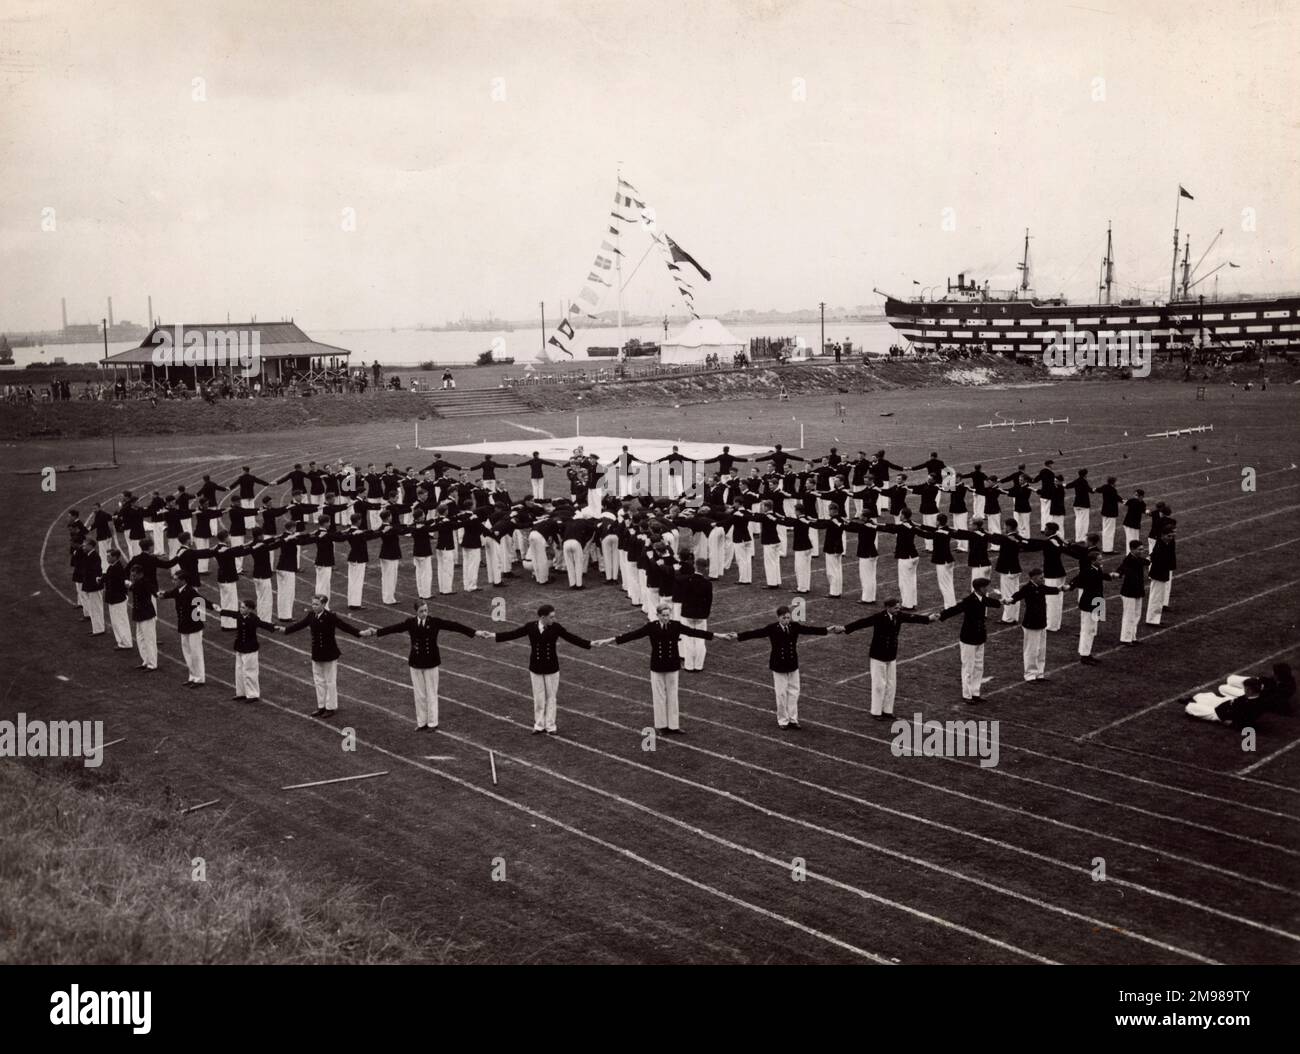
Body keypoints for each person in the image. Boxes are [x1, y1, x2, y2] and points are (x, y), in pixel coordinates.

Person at [594, 602, 714, 734]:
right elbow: (633, 635)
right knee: (659, 696)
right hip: (657, 665)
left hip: (672, 665)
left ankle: (674, 726)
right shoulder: (651, 627)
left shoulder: (675, 625)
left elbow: (695, 632)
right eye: (663, 615)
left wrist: (718, 636)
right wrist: (609, 640)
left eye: (668, 615)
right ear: (657, 615)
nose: (666, 618)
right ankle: (661, 725)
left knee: (673, 696)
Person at [365, 601, 477, 731]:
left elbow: (453, 626)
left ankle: (432, 723)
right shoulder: (410, 623)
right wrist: (376, 632)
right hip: (416, 662)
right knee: (419, 694)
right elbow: (394, 628)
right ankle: (422, 722)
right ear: (416, 612)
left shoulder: (434, 622)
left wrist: (474, 632)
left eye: (426, 610)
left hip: (431, 662)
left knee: (431, 693)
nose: (424, 613)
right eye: (421, 611)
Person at [484, 604, 592, 734]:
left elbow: (571, 638)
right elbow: (513, 634)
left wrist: (589, 644)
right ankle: (539, 725)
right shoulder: (531, 627)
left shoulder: (556, 628)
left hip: (552, 667)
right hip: (535, 667)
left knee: (551, 697)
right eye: (551, 617)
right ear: (543, 617)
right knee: (539, 697)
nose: (554, 619)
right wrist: (493, 635)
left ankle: (551, 726)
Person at [729, 606, 832, 729]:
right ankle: (783, 720)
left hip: (793, 664)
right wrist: (738, 636)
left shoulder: (794, 626)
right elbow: (756, 633)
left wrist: (827, 629)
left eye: (788, 618)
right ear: (778, 618)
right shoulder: (772, 628)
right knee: (781, 693)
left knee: (794, 692)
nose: (787, 620)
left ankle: (793, 719)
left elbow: (809, 630)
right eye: (784, 618)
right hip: (779, 665)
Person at [838, 598, 934, 718]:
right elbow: (863, 622)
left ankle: (888, 710)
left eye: (898, 607)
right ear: (888, 607)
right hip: (878, 655)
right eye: (895, 608)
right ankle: (876, 711)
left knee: (891, 684)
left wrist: (928, 619)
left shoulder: (898, 616)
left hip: (891, 654)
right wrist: (845, 628)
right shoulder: (879, 617)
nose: (898, 610)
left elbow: (912, 618)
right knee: (879, 684)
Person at [283, 594, 365, 716]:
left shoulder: (330, 616)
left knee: (330, 681)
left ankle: (330, 707)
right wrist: (285, 630)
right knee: (318, 680)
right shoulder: (311, 615)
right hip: (317, 652)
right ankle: (321, 706)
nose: (313, 606)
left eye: (316, 604)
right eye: (313, 604)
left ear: (323, 604)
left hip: (329, 652)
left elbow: (344, 626)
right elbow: (300, 625)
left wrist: (359, 633)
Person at [938, 577, 1002, 703]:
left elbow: (991, 602)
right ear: (980, 588)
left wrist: (1003, 602)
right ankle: (967, 695)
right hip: (968, 638)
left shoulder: (982, 598)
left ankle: (975, 692)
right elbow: (955, 609)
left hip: (979, 637)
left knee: (978, 666)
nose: (987, 589)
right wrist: (941, 615)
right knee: (968, 667)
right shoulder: (969, 601)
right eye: (986, 587)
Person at [216, 598, 280, 701]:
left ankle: (253, 694)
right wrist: (220, 610)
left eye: (243, 607)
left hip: (250, 648)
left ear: (249, 609)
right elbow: (230, 613)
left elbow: (262, 624)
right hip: (240, 647)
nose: (240, 609)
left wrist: (273, 627)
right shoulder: (239, 615)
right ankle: (241, 692)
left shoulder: (254, 618)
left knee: (250, 671)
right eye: (240, 607)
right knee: (239, 670)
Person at [1008, 568, 1060, 681]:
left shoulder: (1040, 587)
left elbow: (1050, 589)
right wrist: (1010, 600)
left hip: (1041, 623)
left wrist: (1061, 588)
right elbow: (1018, 595)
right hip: (1031, 623)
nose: (1043, 579)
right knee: (1031, 650)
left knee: (1041, 650)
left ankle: (1039, 674)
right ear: (1034, 578)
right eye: (1041, 577)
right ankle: (1030, 675)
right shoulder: (1027, 588)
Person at [159, 568, 207, 687]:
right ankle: (192, 676)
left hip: (193, 627)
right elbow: (169, 593)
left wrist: (197, 621)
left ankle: (199, 678)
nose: (173, 581)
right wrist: (162, 594)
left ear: (183, 581)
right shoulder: (179, 590)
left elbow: (202, 602)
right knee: (187, 652)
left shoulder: (190, 592)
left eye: (175, 580)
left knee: (196, 653)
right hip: (184, 626)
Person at [676, 558, 714, 671]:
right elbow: (709, 601)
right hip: (701, 615)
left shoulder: (687, 580)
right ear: (706, 568)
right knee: (700, 640)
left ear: (695, 567)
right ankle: (698, 665)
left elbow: (677, 580)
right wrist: (705, 614)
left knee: (688, 639)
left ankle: (689, 665)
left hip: (687, 614)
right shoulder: (707, 583)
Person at [1116, 540, 1149, 644]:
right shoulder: (1129, 559)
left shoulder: (1136, 558)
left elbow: (1145, 561)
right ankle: (1125, 638)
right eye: (1139, 549)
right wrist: (1119, 573)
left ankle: (1132, 637)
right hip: (1129, 592)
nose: (1142, 551)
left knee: (1136, 615)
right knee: (1129, 615)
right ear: (1132, 549)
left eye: (1142, 549)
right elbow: (1122, 568)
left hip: (1137, 591)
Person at [127, 565, 159, 671]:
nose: (133, 577)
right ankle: (146, 660)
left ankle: (152, 663)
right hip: (140, 614)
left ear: (141, 574)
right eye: (132, 575)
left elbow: (153, 590)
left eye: (134, 575)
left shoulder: (144, 582)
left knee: (149, 639)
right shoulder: (138, 582)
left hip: (146, 614)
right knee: (140, 638)